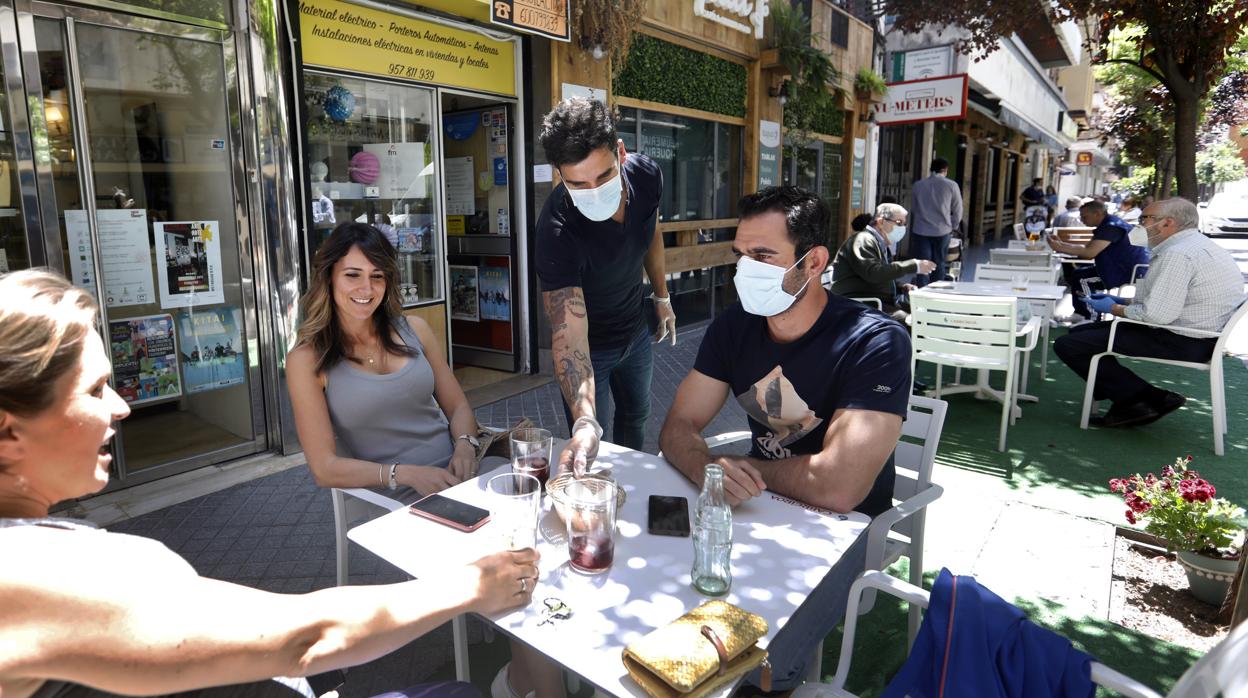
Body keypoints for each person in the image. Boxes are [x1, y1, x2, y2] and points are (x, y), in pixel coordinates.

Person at [0, 269, 539, 698]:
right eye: (94, 391)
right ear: (8, 430)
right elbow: (307, 638)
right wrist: (467, 586)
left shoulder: (37, 542)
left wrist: (465, 446)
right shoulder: (29, 572)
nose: (121, 408)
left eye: (377, 276)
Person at [285, 223, 563, 698]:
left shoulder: (412, 329)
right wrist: (403, 473)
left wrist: (463, 446)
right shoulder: (308, 360)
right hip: (407, 494)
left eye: (377, 276)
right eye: (353, 275)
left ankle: (534, 666)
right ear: (328, 278)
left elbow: (458, 408)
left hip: (464, 473)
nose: (366, 289)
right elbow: (323, 467)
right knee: (517, 558)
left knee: (555, 521)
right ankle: (528, 682)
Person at [658, 185, 911, 691]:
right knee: (661, 599)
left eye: (763, 255)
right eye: (739, 255)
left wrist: (739, 469)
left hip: (848, 527)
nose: (744, 269)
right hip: (754, 503)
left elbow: (839, 486)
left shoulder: (875, 342)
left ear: (813, 261)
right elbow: (678, 427)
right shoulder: (735, 327)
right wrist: (713, 470)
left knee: (758, 666)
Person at [535, 97, 673, 474]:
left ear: (621, 153)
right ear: (560, 176)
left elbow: (651, 232)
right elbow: (569, 333)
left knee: (638, 419)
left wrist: (662, 297)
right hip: (590, 352)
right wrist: (583, 421)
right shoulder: (556, 230)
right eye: (578, 183)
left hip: (636, 330)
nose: (593, 191)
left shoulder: (646, 176)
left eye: (603, 177)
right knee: (600, 441)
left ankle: (633, 488)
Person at [1054, 198, 1246, 427]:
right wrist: (1120, 301)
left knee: (1069, 345)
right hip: (1196, 335)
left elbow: (1156, 315)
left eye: (1145, 219)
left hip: (1181, 338)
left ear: (1168, 223)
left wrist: (1113, 307)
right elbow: (1164, 301)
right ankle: (1138, 397)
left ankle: (1143, 399)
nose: (1139, 224)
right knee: (1078, 335)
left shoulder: (1177, 254)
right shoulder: (1195, 245)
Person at [831, 202, 936, 321]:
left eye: (904, 224)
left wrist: (901, 287)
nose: (902, 228)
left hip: (876, 301)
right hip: (860, 304)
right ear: (881, 222)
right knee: (913, 322)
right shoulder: (863, 240)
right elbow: (874, 273)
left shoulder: (880, 243)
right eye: (899, 223)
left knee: (923, 314)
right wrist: (913, 265)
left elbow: (881, 275)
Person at [1046, 200, 1149, 321]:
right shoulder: (1110, 223)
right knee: (1079, 274)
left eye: (1084, 216)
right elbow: (1089, 248)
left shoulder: (1111, 226)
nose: (1081, 219)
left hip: (1127, 272)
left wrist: (1059, 246)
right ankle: (1082, 313)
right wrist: (1062, 244)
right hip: (1122, 268)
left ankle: (1090, 317)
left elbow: (1089, 253)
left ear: (1098, 214)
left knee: (1082, 278)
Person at [908, 158, 963, 287]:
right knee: (939, 263)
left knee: (923, 265)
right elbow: (958, 209)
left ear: (931, 169)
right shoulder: (951, 185)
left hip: (921, 230)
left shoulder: (918, 185)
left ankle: (921, 293)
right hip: (942, 231)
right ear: (945, 169)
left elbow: (914, 209)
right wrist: (953, 226)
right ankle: (937, 291)